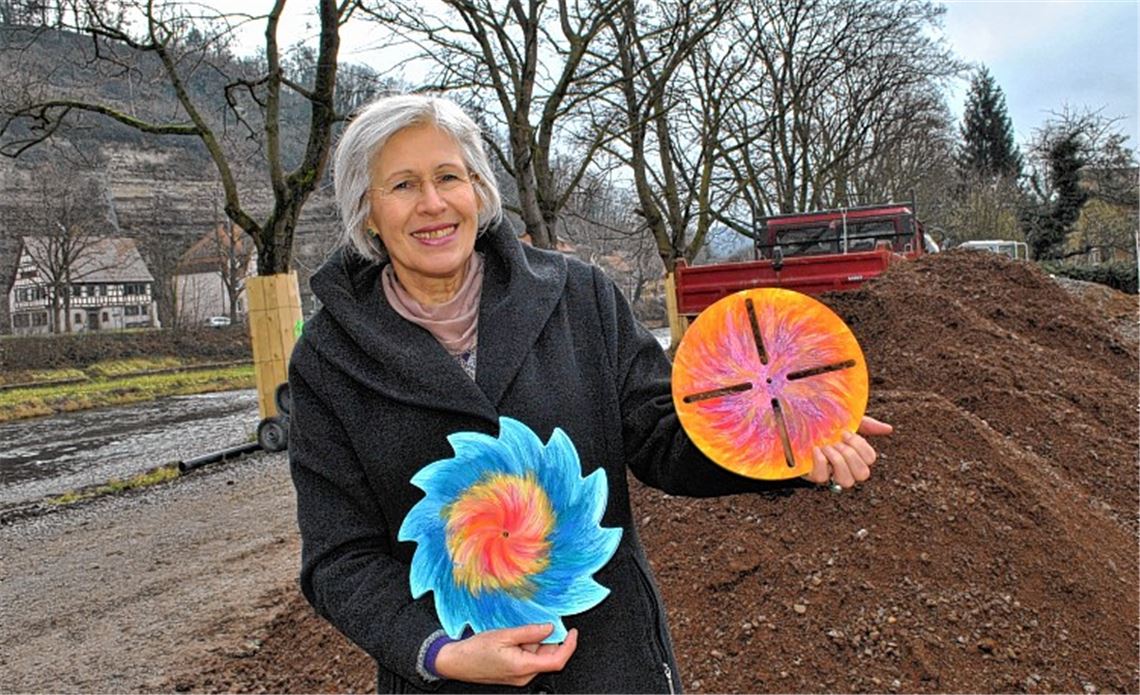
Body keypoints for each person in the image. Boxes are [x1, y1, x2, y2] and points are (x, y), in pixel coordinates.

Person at [288, 93, 892, 693]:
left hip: (611, 666)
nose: (433, 203)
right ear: (366, 211)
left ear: (478, 187)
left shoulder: (579, 298)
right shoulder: (329, 358)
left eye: (450, 176)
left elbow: (662, 438)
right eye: (402, 185)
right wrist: (442, 653)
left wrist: (778, 442)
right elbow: (340, 557)